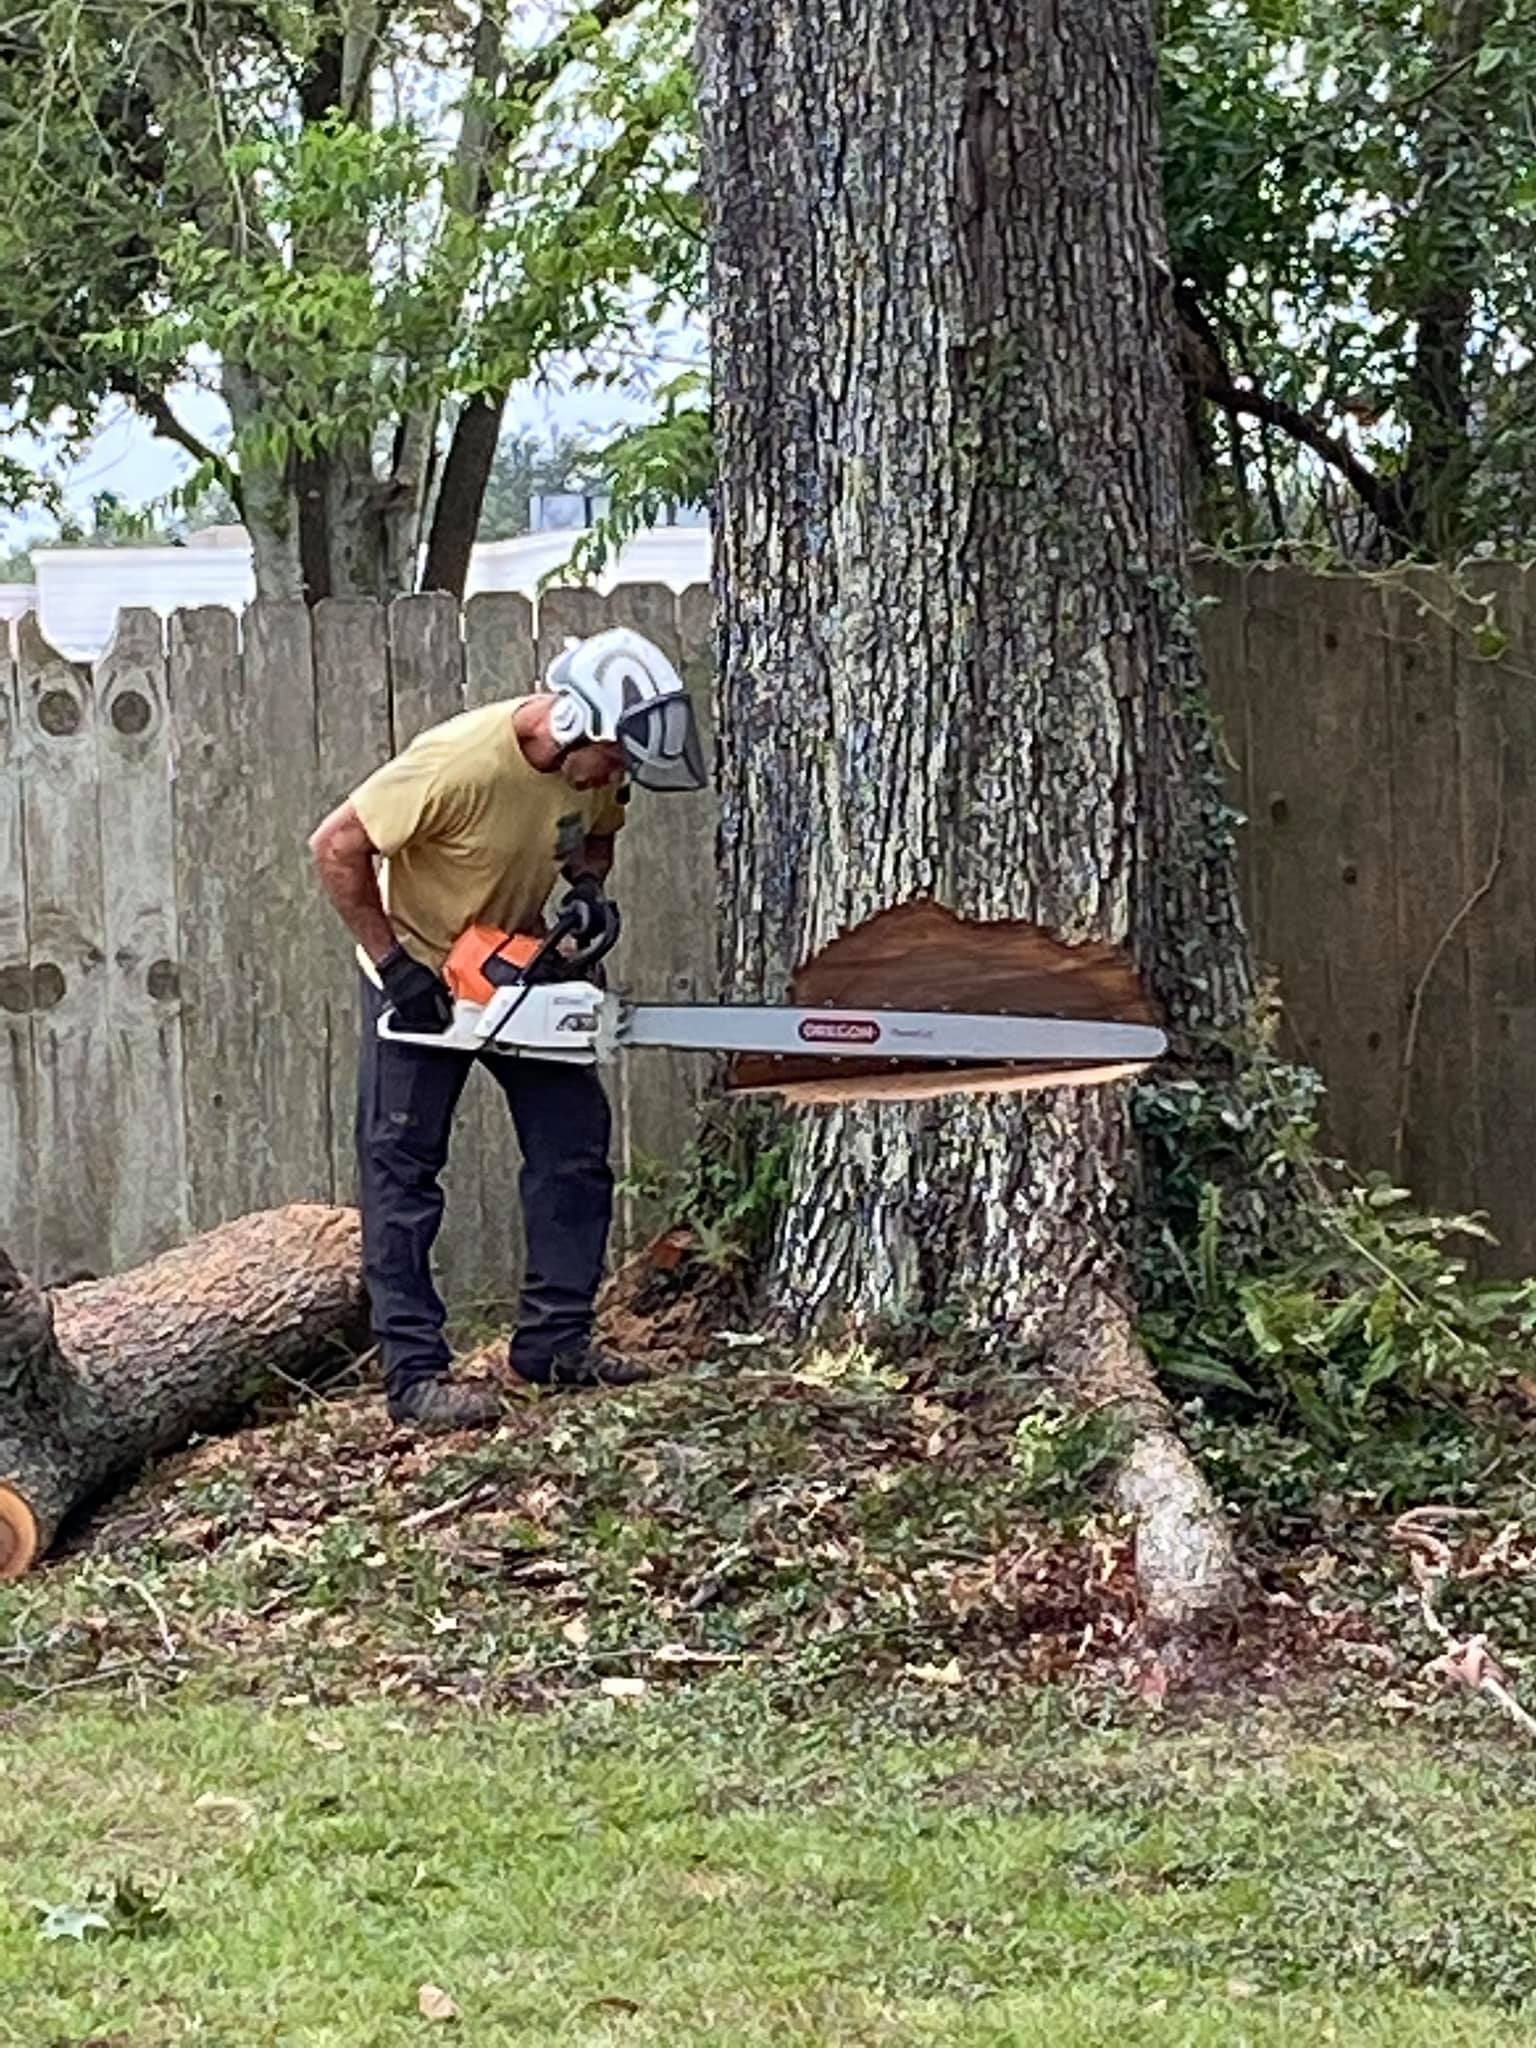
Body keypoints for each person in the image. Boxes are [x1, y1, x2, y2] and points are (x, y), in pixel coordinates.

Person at [308, 626, 709, 1431]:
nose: (619, 778)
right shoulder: (456, 763)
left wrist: (588, 889)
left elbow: (598, 832)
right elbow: (335, 845)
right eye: (616, 761)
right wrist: (395, 967)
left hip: (516, 966)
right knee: (403, 1171)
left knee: (574, 1146)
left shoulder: (597, 766)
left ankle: (553, 1346)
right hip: (420, 973)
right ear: (574, 727)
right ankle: (414, 1377)